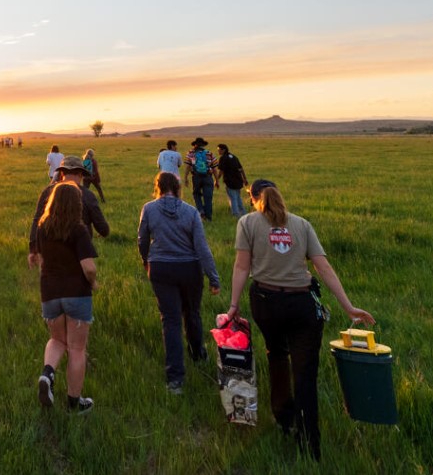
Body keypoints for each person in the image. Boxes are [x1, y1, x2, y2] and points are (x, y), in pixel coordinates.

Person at [226, 179, 375, 460]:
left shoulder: (247, 223)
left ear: (255, 198)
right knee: (306, 374)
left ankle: (284, 417)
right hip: (302, 305)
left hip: (267, 303)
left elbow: (241, 266)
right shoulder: (302, 224)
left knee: (277, 355)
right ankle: (310, 444)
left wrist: (234, 305)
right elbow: (323, 267)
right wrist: (349, 307)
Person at [137, 172, 221, 394]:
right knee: (192, 313)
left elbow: (142, 239)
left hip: (161, 268)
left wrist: (145, 260)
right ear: (177, 187)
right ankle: (198, 355)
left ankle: (175, 379)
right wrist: (213, 277)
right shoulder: (191, 211)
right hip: (190, 269)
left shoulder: (149, 209)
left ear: (158, 187)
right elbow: (202, 247)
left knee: (171, 321)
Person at [34, 182, 97, 414]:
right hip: (77, 293)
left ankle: (47, 374)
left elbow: (42, 261)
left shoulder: (42, 228)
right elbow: (88, 267)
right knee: (77, 348)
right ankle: (74, 402)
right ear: (76, 204)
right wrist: (93, 282)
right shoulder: (78, 230)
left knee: (57, 340)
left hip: (49, 292)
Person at [27, 160, 109, 265]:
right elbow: (103, 229)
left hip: (49, 255)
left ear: (62, 173)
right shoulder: (88, 195)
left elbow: (37, 221)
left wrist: (33, 249)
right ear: (80, 174)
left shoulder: (47, 191)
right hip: (79, 256)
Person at [184, 137, 216, 222]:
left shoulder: (191, 153)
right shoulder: (209, 153)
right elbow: (214, 168)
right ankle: (208, 217)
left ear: (195, 145)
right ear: (203, 145)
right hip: (208, 177)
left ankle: (201, 211)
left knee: (196, 194)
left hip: (196, 177)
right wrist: (216, 179)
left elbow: (188, 166)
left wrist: (186, 177)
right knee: (208, 197)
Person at [217, 144, 247, 216]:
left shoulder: (223, 158)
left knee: (232, 198)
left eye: (219, 150)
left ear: (223, 150)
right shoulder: (234, 157)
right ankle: (243, 213)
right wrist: (244, 179)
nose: (218, 152)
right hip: (238, 180)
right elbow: (241, 169)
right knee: (238, 197)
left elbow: (221, 171)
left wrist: (216, 180)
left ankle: (236, 214)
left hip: (230, 181)